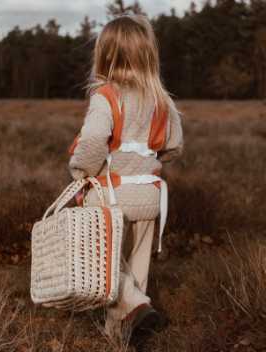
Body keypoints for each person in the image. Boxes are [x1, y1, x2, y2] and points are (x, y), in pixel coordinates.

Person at [68, 14, 183, 341]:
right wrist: (147, 161)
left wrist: (80, 172)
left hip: (110, 197)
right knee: (137, 266)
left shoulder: (106, 96)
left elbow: (91, 144)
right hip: (149, 197)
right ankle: (119, 335)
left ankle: (135, 304)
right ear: (148, 54)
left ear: (104, 54)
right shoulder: (161, 100)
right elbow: (174, 146)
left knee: (102, 261)